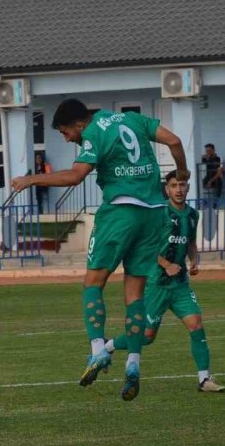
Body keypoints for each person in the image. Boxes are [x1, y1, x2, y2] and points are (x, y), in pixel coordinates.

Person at [11, 99, 187, 401]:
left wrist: (30, 179)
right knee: (134, 294)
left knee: (93, 283)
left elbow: (75, 176)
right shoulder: (132, 119)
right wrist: (181, 172)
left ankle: (97, 352)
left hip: (121, 213)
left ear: (79, 124)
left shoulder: (93, 132)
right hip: (154, 214)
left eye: (66, 133)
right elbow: (174, 140)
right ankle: (133, 365)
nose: (68, 139)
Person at [103, 170, 225, 393]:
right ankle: (108, 346)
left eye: (182, 185)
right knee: (147, 337)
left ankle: (204, 379)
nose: (178, 189)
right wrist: (166, 264)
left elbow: (191, 242)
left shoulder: (192, 215)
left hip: (179, 286)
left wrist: (194, 261)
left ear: (187, 188)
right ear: (167, 189)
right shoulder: (158, 215)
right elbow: (145, 248)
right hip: (155, 285)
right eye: (174, 185)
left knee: (196, 324)